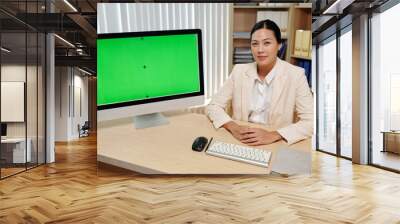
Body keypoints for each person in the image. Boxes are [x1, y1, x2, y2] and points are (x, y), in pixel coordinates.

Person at [206, 19, 313, 146]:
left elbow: (311, 121)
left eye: (267, 43)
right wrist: (233, 127)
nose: (260, 50)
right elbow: (213, 106)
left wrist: (274, 135)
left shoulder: (296, 75)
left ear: (279, 45)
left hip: (275, 143)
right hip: (240, 139)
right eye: (255, 44)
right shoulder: (239, 71)